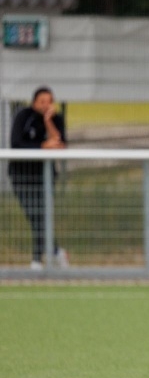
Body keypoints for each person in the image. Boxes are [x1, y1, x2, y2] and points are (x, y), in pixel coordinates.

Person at [9, 86, 69, 270]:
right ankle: (55, 251)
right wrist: (42, 147)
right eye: (42, 101)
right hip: (21, 176)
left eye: (49, 101)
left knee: (43, 215)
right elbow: (16, 144)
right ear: (34, 102)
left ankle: (37, 261)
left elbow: (60, 144)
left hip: (45, 177)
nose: (45, 105)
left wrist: (49, 121)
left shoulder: (56, 119)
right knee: (36, 216)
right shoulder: (23, 116)